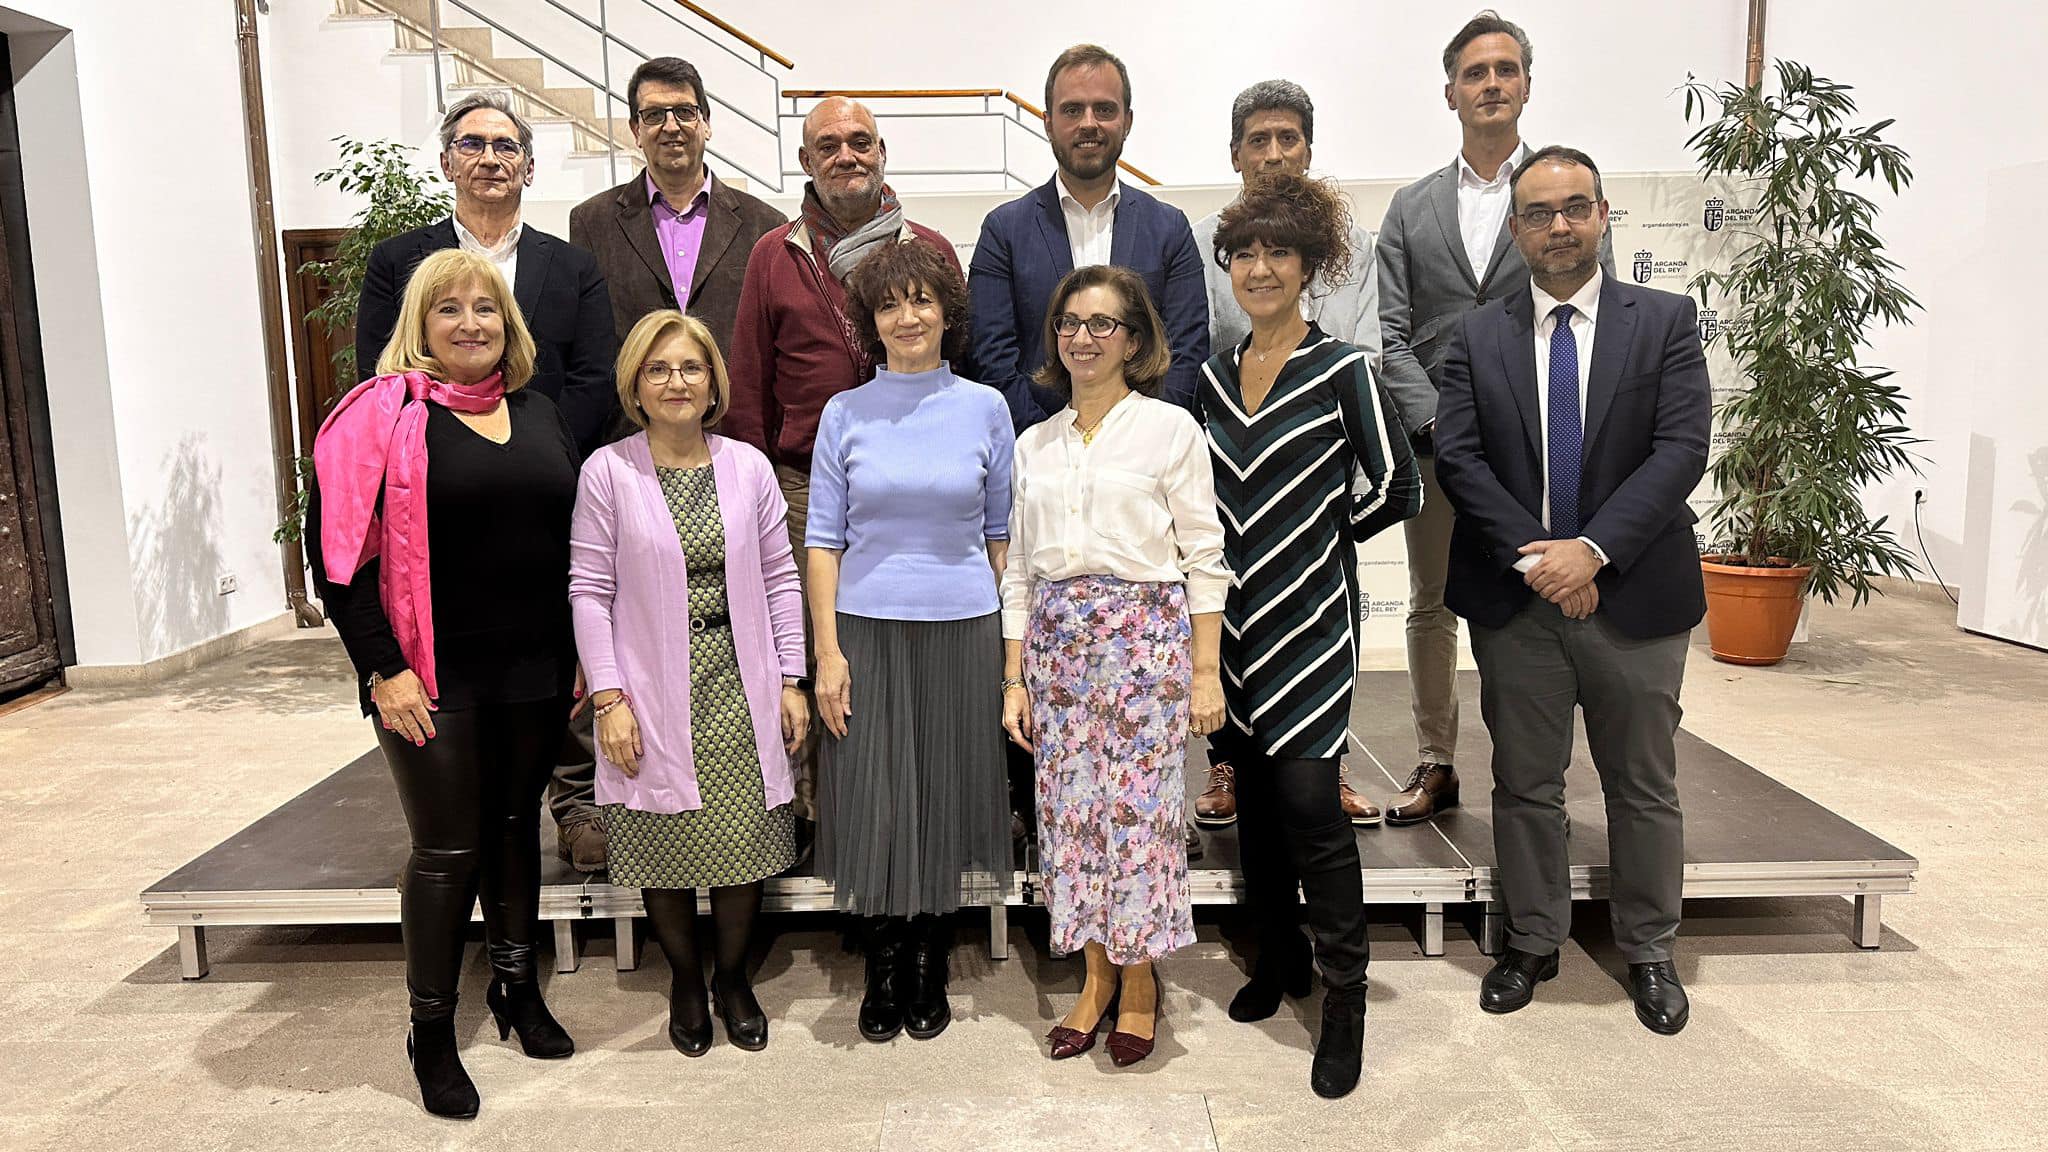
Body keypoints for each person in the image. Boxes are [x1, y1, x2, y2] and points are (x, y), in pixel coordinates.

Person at [1432, 146, 1707, 1035]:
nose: (1559, 226)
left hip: (1636, 595)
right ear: (1516, 229)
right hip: (1519, 599)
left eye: (1575, 208)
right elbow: (1462, 462)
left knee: (1642, 784)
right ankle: (1533, 939)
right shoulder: (1475, 336)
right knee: (1525, 782)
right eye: (1540, 213)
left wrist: (1592, 552)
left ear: (1602, 216)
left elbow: (1680, 452)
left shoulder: (1664, 321)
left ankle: (1650, 947)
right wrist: (1543, 559)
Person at [309, 249, 578, 1119]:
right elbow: (339, 563)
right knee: (447, 849)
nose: (471, 323)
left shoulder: (540, 413)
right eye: (449, 310)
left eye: (486, 308)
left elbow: (568, 542)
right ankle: (430, 1030)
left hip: (533, 666)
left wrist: (579, 655)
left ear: (510, 323)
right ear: (418, 327)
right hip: (429, 673)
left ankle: (516, 989)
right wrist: (381, 669)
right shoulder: (379, 418)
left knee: (513, 829)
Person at [354, 90, 621, 873]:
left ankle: (565, 810)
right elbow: (384, 374)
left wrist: (533, 450)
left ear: (529, 167)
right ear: (446, 162)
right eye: (472, 145)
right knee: (459, 785)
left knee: (548, 667)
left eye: (506, 147)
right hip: (436, 500)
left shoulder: (569, 266)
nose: (490, 159)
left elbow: (594, 377)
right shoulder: (400, 261)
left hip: (544, 482)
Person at [1200, 173, 1421, 1099]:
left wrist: (1316, 540)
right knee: (1252, 804)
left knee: (1313, 813)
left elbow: (1396, 487)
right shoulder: (1212, 375)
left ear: (1310, 265)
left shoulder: (1346, 372)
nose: (1259, 267)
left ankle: (1346, 998)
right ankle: (1276, 959)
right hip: (1229, 630)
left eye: (1277, 252)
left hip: (1311, 626)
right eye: (1245, 252)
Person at [1375, 12, 1612, 827]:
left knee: (1538, 594)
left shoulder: (1557, 195)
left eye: (1505, 70)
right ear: (1451, 92)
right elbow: (1391, 333)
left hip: (1542, 445)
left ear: (1526, 85)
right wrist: (1444, 425)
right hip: (1439, 446)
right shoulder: (1412, 208)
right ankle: (1435, 759)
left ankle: (1533, 765)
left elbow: (1591, 311)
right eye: (1475, 73)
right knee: (1431, 599)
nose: (1491, 84)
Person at [999, 265, 1230, 1067]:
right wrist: (1013, 678)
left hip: (1146, 647)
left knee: (1137, 825)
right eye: (1069, 322)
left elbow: (1204, 556)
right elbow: (1019, 570)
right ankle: (1094, 979)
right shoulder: (1034, 444)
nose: (1083, 337)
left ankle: (1140, 985)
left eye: (1102, 324)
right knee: (1072, 823)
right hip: (1058, 650)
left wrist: (1206, 672)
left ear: (1134, 341)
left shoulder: (1170, 430)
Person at [568, 311, 808, 1057]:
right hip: (645, 684)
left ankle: (732, 977)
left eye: (690, 368)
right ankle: (683, 978)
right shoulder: (609, 471)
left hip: (741, 679)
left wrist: (791, 677)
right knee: (662, 840)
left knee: (742, 840)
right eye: (658, 369)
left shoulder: (748, 467)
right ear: (636, 385)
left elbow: (778, 577)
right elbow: (587, 589)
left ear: (714, 383)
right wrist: (607, 698)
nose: (676, 382)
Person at [725, 96, 964, 828]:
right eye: (828, 146)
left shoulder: (928, 248)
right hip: (805, 483)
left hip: (918, 480)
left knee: (905, 643)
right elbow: (750, 379)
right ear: (806, 162)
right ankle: (823, 811)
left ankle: (918, 808)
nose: (846, 156)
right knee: (818, 647)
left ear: (882, 151)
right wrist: (758, 489)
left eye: (860, 142)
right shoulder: (776, 254)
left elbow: (964, 362)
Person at [805, 237, 1014, 1045]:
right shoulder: (845, 412)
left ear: (946, 312)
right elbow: (823, 540)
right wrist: (826, 653)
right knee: (879, 797)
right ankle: (883, 962)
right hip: (865, 626)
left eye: (921, 299)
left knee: (946, 791)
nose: (907, 316)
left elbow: (1001, 538)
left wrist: (1009, 659)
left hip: (963, 624)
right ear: (871, 321)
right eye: (889, 304)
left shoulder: (985, 408)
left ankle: (930, 957)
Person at [1189, 79, 1384, 831]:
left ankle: (1322, 762)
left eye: (1288, 139)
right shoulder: (1202, 239)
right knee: (1226, 617)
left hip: (1319, 468)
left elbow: (1367, 348)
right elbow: (1202, 348)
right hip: (1230, 467)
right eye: (1258, 140)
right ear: (1235, 153)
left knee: (1326, 615)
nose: (1274, 154)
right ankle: (1227, 764)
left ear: (1309, 148)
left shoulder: (1355, 247)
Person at [969, 43, 1209, 427]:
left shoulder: (1169, 228)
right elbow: (992, 359)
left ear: (1127, 121)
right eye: (1072, 109)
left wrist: (1145, 440)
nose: (1089, 123)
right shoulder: (1003, 232)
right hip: (1037, 457)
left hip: (1146, 461)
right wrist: (1046, 445)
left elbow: (1186, 353)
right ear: (1047, 122)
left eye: (1105, 109)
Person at [569, 57, 786, 355]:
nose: (671, 127)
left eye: (685, 112)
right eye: (655, 115)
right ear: (636, 131)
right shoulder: (592, 222)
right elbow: (588, 339)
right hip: (630, 400)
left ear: (706, 124)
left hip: (734, 401)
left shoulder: (765, 224)